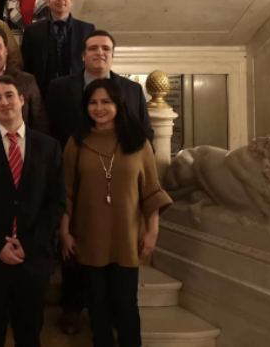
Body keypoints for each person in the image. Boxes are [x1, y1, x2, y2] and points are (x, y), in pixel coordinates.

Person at [46, 30, 154, 336]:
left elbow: (146, 135)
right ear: (83, 55)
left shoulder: (132, 91)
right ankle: (72, 308)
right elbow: (50, 131)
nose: (99, 53)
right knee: (85, 281)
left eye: (105, 48)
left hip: (123, 205)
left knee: (124, 301)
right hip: (82, 193)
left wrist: (151, 226)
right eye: (92, 48)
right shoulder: (59, 88)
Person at [61, 78, 172, 347]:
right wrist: (64, 232)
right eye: (92, 102)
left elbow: (151, 191)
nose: (99, 108)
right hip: (89, 236)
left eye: (106, 102)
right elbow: (66, 193)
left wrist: (152, 231)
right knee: (97, 304)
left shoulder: (138, 142)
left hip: (127, 236)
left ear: (119, 104)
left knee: (126, 304)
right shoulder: (76, 143)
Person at [0, 75, 65, 347]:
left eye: (9, 95)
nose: (4, 102)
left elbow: (55, 203)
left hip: (33, 258)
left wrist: (28, 244)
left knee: (29, 336)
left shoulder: (49, 147)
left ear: (21, 99)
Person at [21, 0, 95, 99]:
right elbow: (26, 67)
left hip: (77, 96)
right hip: (42, 96)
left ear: (71, 1)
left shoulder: (87, 30)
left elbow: (92, 65)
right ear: (48, 2)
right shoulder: (32, 31)